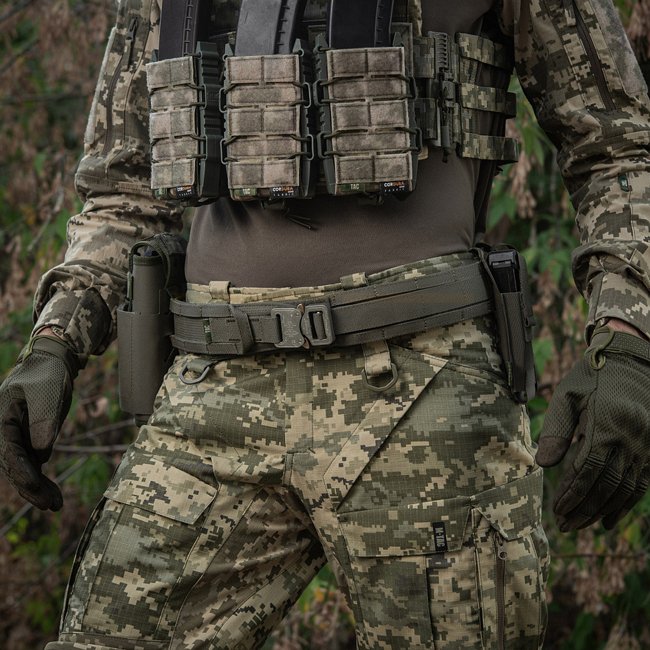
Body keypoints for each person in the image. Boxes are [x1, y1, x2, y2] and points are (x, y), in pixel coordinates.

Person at [1, 0, 649, 648]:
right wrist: (55, 343)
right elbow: (121, 193)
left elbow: (619, 148)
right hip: (212, 386)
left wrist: (627, 338)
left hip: (424, 385)